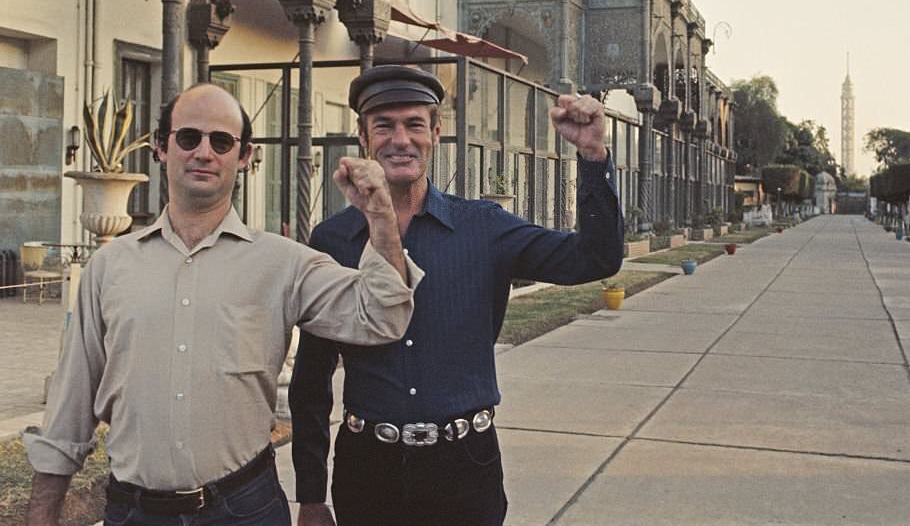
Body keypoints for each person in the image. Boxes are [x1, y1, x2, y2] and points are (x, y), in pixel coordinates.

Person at [24, 84, 422, 525]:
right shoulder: (110, 266)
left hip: (244, 509)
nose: (204, 153)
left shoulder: (283, 262)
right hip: (133, 512)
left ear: (245, 155)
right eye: (188, 138)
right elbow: (73, 394)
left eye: (221, 141)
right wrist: (43, 508)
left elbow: (381, 317)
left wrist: (381, 216)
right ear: (161, 147)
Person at [289, 65, 624, 525]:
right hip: (367, 472)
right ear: (363, 136)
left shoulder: (484, 227)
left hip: (465, 471)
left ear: (437, 133)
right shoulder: (333, 240)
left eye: (415, 124)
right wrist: (310, 495)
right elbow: (311, 379)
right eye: (384, 125)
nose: (400, 139)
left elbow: (595, 259)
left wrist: (592, 155)